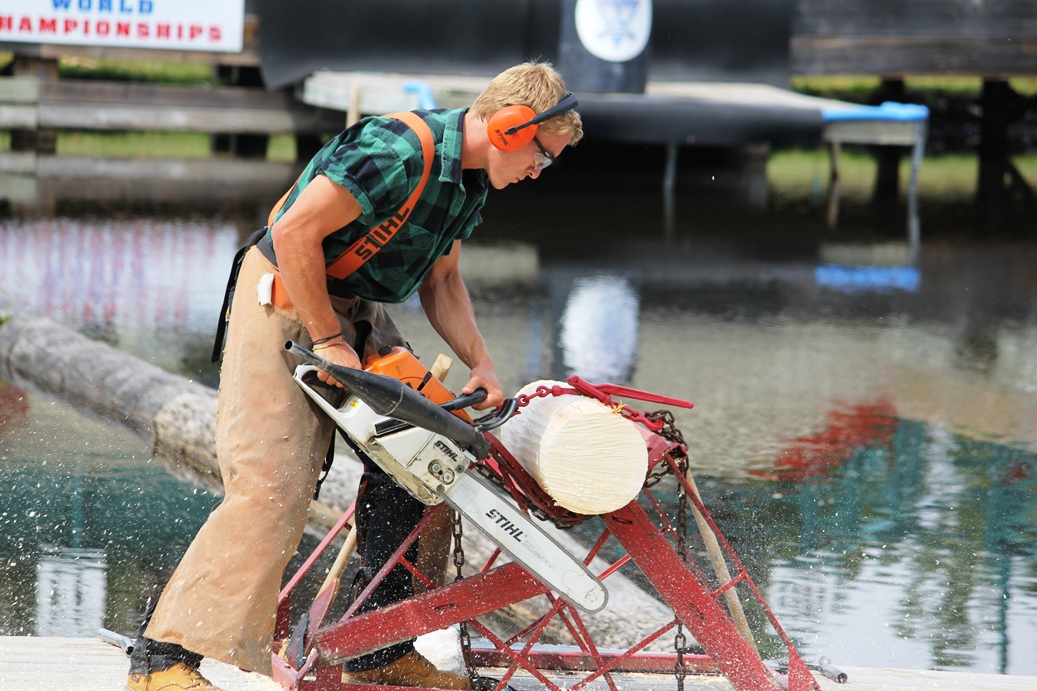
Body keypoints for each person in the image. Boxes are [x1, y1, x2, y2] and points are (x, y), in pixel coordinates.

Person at [125, 61, 583, 691]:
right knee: (271, 483)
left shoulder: (470, 181)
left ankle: (377, 650)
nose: (541, 170)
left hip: (351, 308)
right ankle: (162, 662)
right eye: (542, 154)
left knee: (424, 463)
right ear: (508, 128)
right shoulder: (397, 150)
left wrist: (481, 361)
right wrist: (329, 341)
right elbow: (293, 232)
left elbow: (443, 279)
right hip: (287, 297)